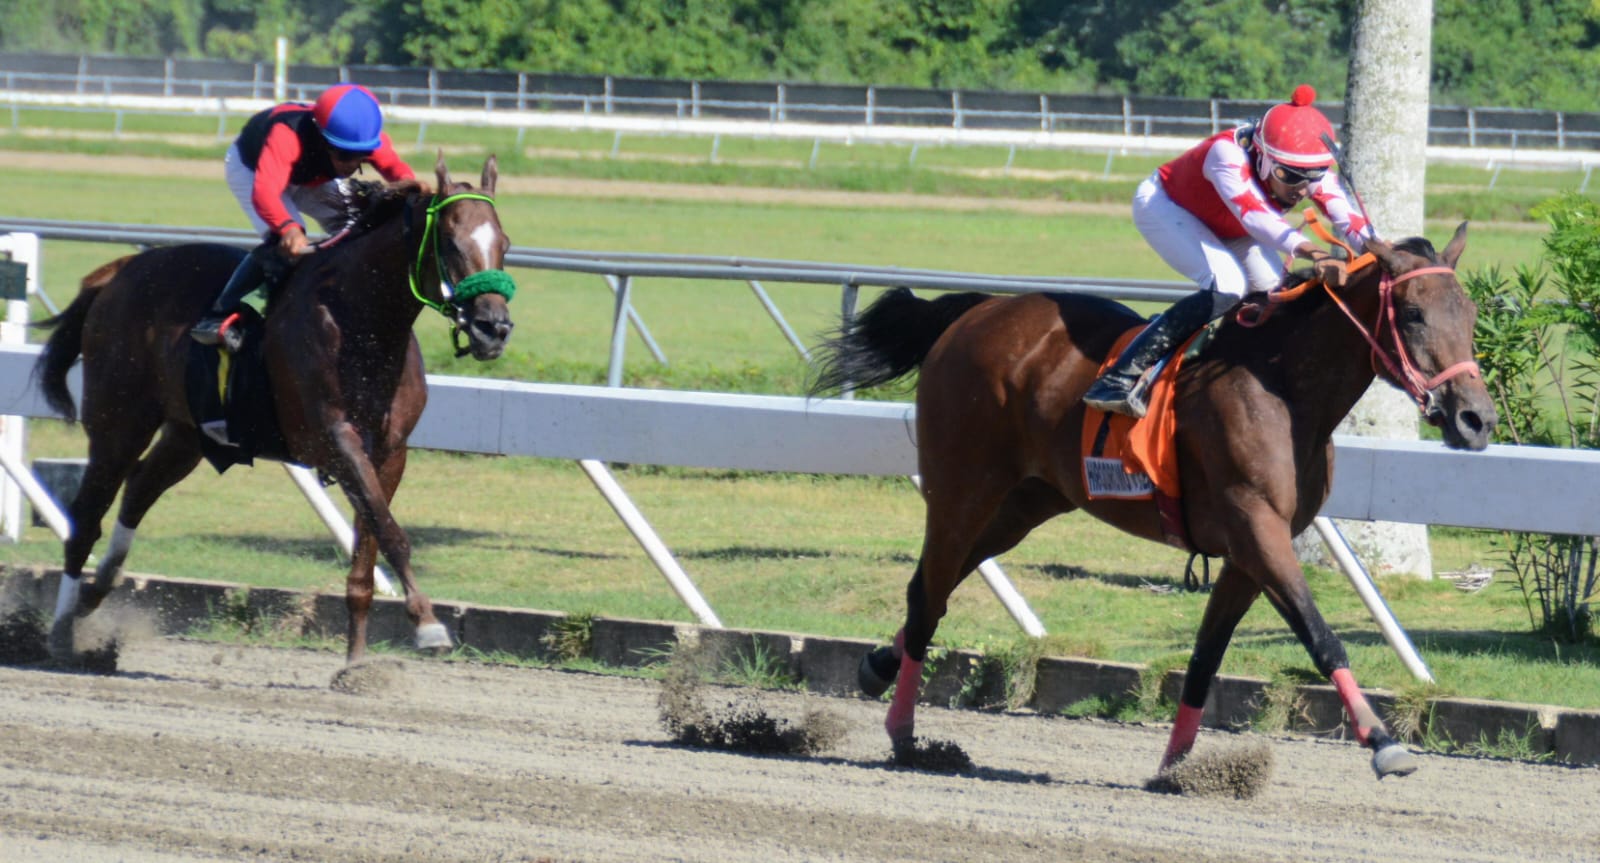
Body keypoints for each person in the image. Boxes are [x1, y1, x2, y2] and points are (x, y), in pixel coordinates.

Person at [1082, 84, 1370, 418]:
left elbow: (1348, 217)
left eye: (1312, 177)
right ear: (1263, 156)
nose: (1301, 189)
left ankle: (1232, 363)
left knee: (1273, 289)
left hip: (1231, 223)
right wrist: (1313, 251)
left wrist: (1379, 248)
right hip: (1167, 208)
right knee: (1228, 284)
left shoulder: (1306, 168)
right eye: (1288, 176)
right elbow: (1256, 217)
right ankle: (1119, 377)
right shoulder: (1226, 155)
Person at [191, 83, 417, 348]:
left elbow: (396, 169)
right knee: (287, 241)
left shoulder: (362, 136)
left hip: (309, 177)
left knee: (357, 224)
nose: (352, 164)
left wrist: (411, 185)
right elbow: (265, 192)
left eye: (362, 156)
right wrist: (287, 228)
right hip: (253, 170)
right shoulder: (286, 136)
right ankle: (218, 314)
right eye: (345, 154)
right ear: (321, 137)